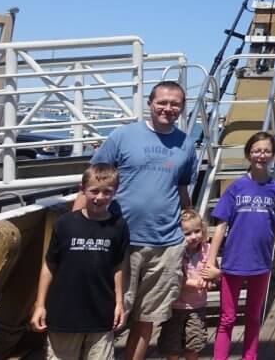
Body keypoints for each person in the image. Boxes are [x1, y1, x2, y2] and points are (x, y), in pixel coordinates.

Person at [79, 80, 197, 360]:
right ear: (150, 103)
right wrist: (76, 225)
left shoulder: (186, 144)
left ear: (181, 108)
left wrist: (194, 230)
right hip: (122, 241)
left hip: (166, 245)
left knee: (147, 319)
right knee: (110, 314)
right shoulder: (123, 136)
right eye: (162, 102)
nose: (168, 108)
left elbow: (182, 191)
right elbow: (90, 182)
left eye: (175, 104)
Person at [31, 164, 130, 360]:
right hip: (64, 313)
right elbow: (49, 265)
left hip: (101, 314)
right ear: (82, 189)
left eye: (107, 192)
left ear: (115, 192)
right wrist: (40, 305)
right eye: (94, 191)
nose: (99, 197)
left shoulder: (119, 226)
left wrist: (119, 303)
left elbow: (118, 266)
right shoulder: (65, 224)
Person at [203, 131, 275, 360]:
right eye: (257, 150)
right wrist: (211, 261)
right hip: (233, 263)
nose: (262, 154)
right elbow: (220, 226)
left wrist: (273, 258)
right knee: (227, 318)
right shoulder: (236, 187)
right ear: (249, 153)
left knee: (253, 317)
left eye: (267, 151)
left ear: (273, 155)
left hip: (261, 264)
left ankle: (250, 356)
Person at [157, 209, 211, 360]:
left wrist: (212, 277)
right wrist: (194, 283)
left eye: (197, 231)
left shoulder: (207, 250)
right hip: (174, 307)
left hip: (197, 307)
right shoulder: (175, 252)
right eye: (187, 234)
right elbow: (173, 277)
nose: (194, 237)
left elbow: (213, 272)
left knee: (193, 345)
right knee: (172, 347)